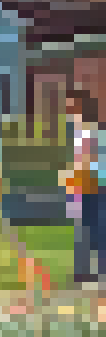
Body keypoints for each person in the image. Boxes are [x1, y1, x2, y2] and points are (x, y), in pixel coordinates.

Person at [64, 89, 104, 286]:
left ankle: (88, 271)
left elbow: (90, 162)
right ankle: (82, 271)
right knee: (82, 228)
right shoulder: (76, 130)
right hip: (80, 185)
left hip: (91, 187)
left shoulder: (91, 130)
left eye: (72, 106)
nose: (68, 110)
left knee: (93, 228)